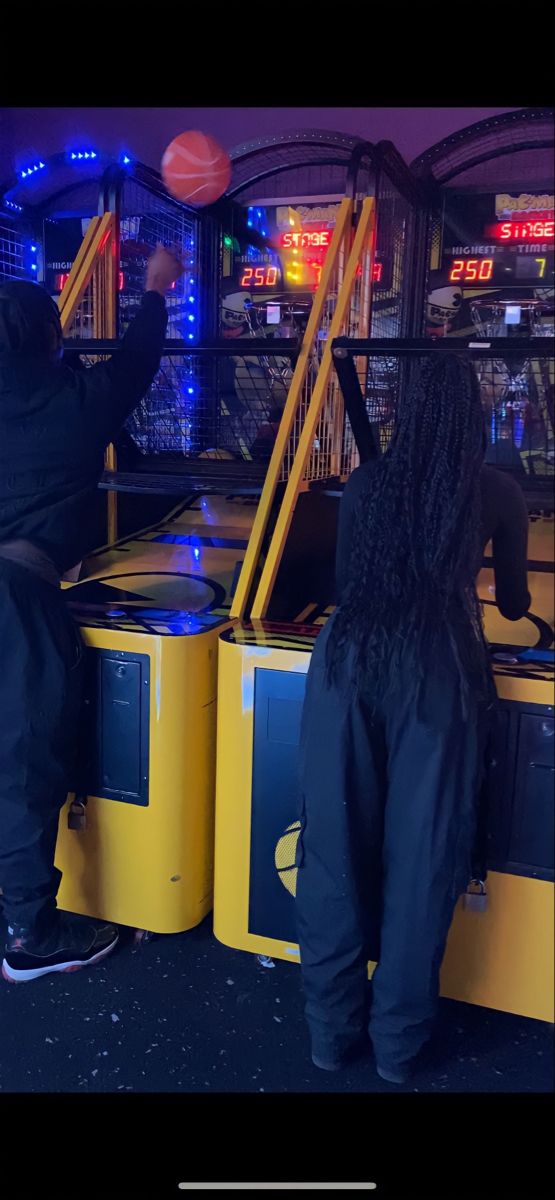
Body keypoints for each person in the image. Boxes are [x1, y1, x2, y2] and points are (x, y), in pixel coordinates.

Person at [295, 355, 531, 1083]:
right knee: (423, 858)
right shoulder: (496, 491)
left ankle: (330, 1036)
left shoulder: (366, 484)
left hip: (348, 660)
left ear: (403, 408)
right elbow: (517, 605)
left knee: (332, 852)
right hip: (438, 671)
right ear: (475, 415)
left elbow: (347, 584)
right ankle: (397, 1048)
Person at [0, 245, 184, 983]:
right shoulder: (70, 402)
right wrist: (155, 289)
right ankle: (28, 934)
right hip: (16, 594)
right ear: (52, 338)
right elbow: (137, 362)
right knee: (23, 764)